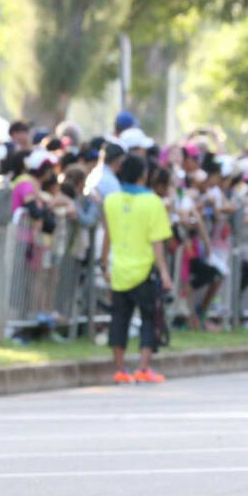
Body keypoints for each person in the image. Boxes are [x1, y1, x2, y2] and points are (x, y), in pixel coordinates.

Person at [101, 154, 174, 384]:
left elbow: (108, 234)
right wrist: (164, 272)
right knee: (149, 319)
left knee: (119, 319)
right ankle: (143, 367)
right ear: (145, 175)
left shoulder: (111, 200)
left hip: (119, 270)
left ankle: (120, 369)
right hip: (144, 270)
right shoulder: (153, 202)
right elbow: (158, 242)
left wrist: (104, 263)